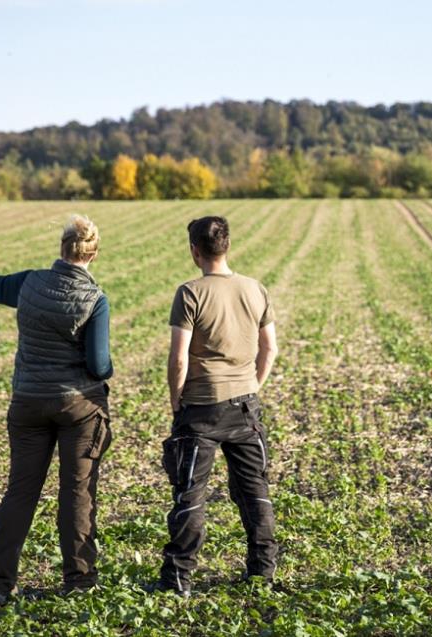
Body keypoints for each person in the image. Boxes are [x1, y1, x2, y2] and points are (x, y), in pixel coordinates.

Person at [0, 214, 113, 606]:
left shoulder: (30, 282)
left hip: (27, 403)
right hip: (77, 407)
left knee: (21, 492)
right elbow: (98, 365)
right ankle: (78, 580)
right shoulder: (95, 300)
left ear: (62, 249)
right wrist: (108, 369)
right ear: (93, 254)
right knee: (76, 492)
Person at [150, 215, 280, 597]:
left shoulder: (190, 293)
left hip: (200, 408)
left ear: (195, 251)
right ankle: (262, 572)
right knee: (255, 491)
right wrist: (252, 385)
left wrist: (177, 402)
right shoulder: (255, 288)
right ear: (226, 246)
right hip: (244, 407)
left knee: (190, 496)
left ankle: (178, 580)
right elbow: (270, 347)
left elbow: (178, 359)